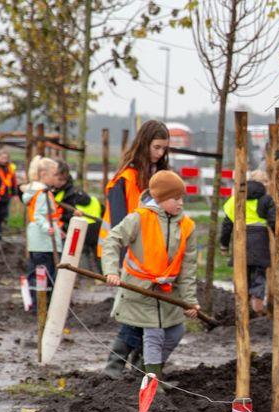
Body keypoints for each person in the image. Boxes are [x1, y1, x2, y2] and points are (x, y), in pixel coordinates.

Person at [101, 169, 199, 381]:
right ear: (159, 198)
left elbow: (188, 268)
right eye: (175, 198)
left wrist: (189, 301)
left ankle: (141, 372)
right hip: (137, 290)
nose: (180, 203)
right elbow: (112, 241)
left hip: (166, 295)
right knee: (138, 333)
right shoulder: (139, 218)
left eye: (182, 198)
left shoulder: (187, 226)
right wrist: (111, 271)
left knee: (174, 332)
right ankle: (119, 376)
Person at [101, 121, 172, 377]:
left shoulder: (161, 175)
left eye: (164, 149)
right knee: (138, 316)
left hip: (157, 260)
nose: (161, 154)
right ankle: (116, 368)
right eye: (156, 147)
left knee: (153, 318)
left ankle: (140, 370)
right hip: (133, 260)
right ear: (144, 144)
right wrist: (119, 266)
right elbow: (119, 227)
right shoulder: (126, 179)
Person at [220, 168, 278, 318]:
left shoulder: (236, 198)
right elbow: (273, 221)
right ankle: (258, 308)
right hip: (260, 242)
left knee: (241, 276)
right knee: (259, 276)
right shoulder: (266, 199)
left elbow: (227, 224)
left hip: (241, 241)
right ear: (266, 183)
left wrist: (224, 244)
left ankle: (242, 310)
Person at [22, 157, 62, 312]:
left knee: (38, 272)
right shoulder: (42, 193)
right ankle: (41, 306)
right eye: (54, 174)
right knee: (45, 273)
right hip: (44, 241)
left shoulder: (37, 191)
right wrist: (48, 228)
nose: (56, 177)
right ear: (44, 174)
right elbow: (39, 216)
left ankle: (39, 304)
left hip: (39, 240)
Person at [50, 160, 103, 264]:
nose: (59, 182)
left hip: (89, 227)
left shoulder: (71, 194)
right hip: (87, 226)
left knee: (90, 257)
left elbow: (67, 215)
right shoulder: (64, 191)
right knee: (92, 257)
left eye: (61, 179)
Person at [0, 148, 18, 225]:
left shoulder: (10, 168)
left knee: (4, 213)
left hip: (6, 194)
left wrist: (15, 194)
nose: (4, 160)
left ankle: (1, 226)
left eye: (6, 158)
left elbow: (14, 181)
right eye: (2, 158)